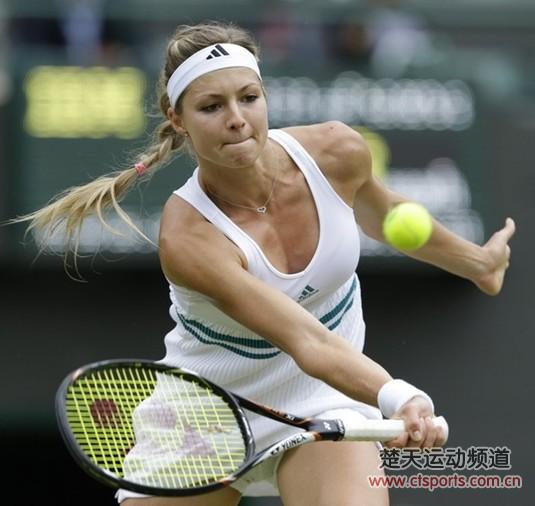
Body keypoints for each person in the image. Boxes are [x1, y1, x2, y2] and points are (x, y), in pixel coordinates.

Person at [15, 21, 515, 506]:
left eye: (248, 98)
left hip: (324, 395)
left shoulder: (337, 150)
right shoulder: (189, 235)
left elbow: (385, 217)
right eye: (211, 106)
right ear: (178, 118)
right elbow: (307, 341)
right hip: (207, 410)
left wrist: (477, 263)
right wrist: (396, 395)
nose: (237, 118)